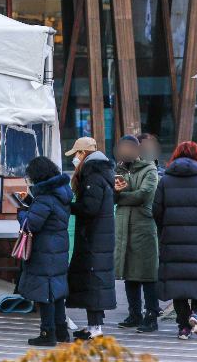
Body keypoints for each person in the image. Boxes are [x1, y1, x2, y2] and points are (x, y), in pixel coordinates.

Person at [153, 142, 197, 340]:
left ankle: (183, 326)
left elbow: (157, 209)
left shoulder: (166, 179)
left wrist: (164, 229)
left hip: (172, 237)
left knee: (176, 280)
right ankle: (196, 313)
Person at [15, 156, 72, 346]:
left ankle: (48, 334)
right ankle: (61, 331)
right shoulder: (61, 192)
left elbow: (32, 224)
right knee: (56, 290)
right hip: (59, 245)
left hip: (45, 248)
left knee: (46, 291)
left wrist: (21, 213)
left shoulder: (45, 196)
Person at [64, 137, 116, 341]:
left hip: (95, 237)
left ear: (83, 154)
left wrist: (67, 205)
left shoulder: (93, 176)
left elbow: (89, 208)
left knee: (94, 281)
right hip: (97, 236)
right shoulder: (99, 172)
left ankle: (96, 328)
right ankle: (93, 325)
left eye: (76, 154)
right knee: (93, 280)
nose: (75, 159)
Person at [113, 135, 161, 333]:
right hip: (123, 226)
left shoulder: (150, 169)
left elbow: (145, 194)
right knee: (129, 273)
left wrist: (121, 196)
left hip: (143, 226)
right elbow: (112, 194)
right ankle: (134, 314)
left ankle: (151, 316)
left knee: (148, 274)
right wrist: (121, 195)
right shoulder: (118, 169)